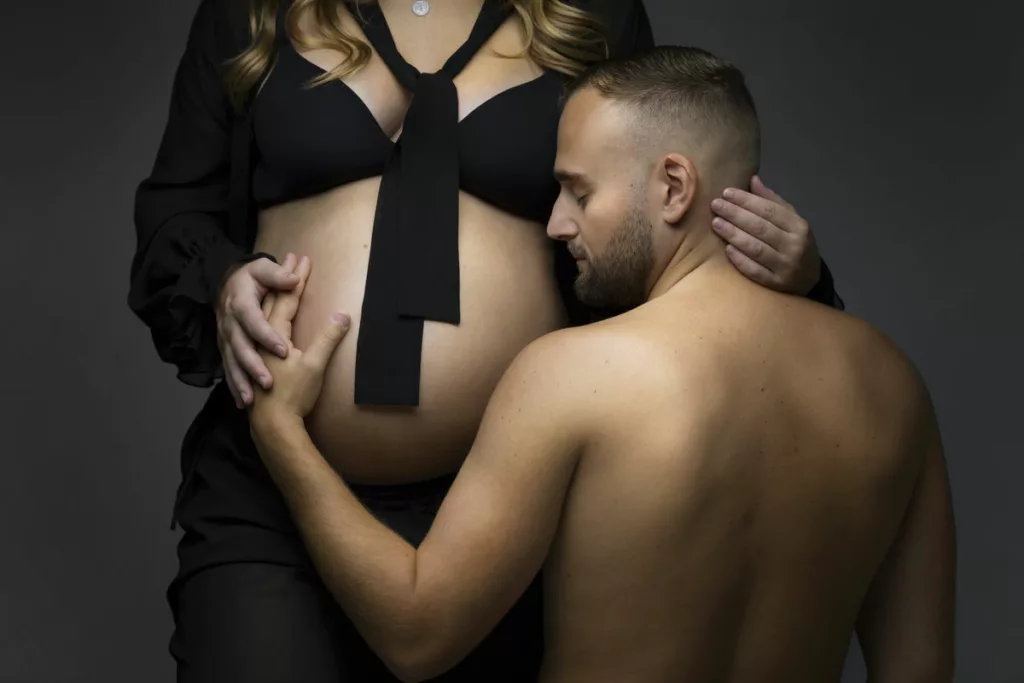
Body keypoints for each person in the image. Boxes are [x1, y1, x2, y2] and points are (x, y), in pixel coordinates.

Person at [128, 0, 842, 680]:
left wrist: (797, 275)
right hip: (270, 490)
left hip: (511, 505)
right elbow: (175, 206)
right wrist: (222, 280)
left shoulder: (591, 12)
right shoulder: (251, 11)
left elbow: (659, 212)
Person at [248, 46, 956, 683]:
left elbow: (415, 633)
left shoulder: (575, 375)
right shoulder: (893, 385)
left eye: (579, 192)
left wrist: (281, 432)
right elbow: (919, 668)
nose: (556, 223)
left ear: (674, 186)